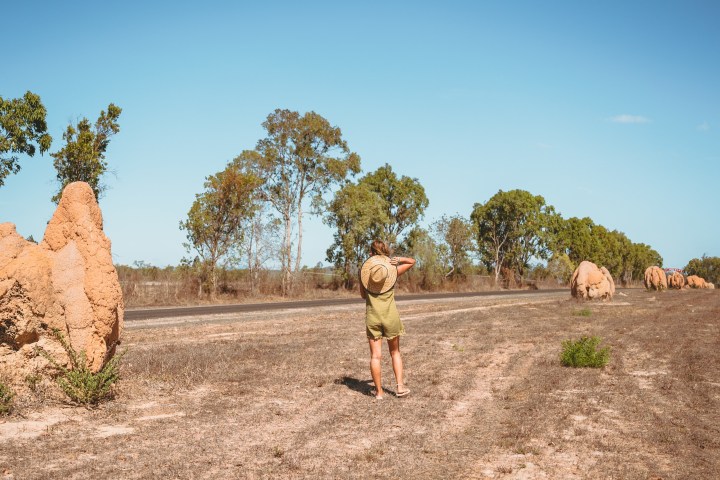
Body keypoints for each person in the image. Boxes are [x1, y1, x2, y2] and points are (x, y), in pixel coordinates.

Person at [359, 239, 416, 399]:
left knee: (375, 356)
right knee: (395, 352)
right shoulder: (392, 270)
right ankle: (399, 387)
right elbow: (412, 261)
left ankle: (379, 392)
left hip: (372, 317)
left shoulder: (365, 273)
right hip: (390, 316)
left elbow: (363, 296)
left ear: (371, 253)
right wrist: (399, 259)